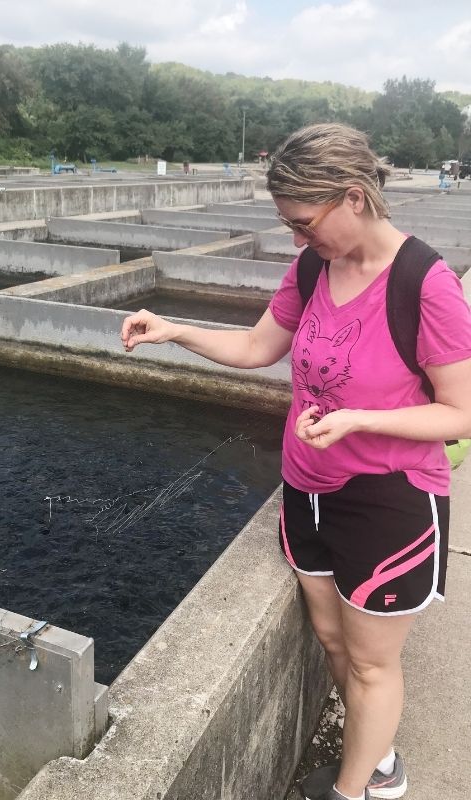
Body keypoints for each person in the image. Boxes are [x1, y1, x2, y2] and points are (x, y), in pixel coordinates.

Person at [120, 122, 471, 800]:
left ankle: (355, 793)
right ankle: (382, 761)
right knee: (334, 644)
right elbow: (258, 348)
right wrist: (171, 329)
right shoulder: (312, 266)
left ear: (354, 198)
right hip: (306, 488)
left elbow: (461, 412)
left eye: (304, 223)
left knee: (372, 666)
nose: (297, 240)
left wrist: (360, 419)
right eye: (289, 226)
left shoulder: (425, 285)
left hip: (389, 499)